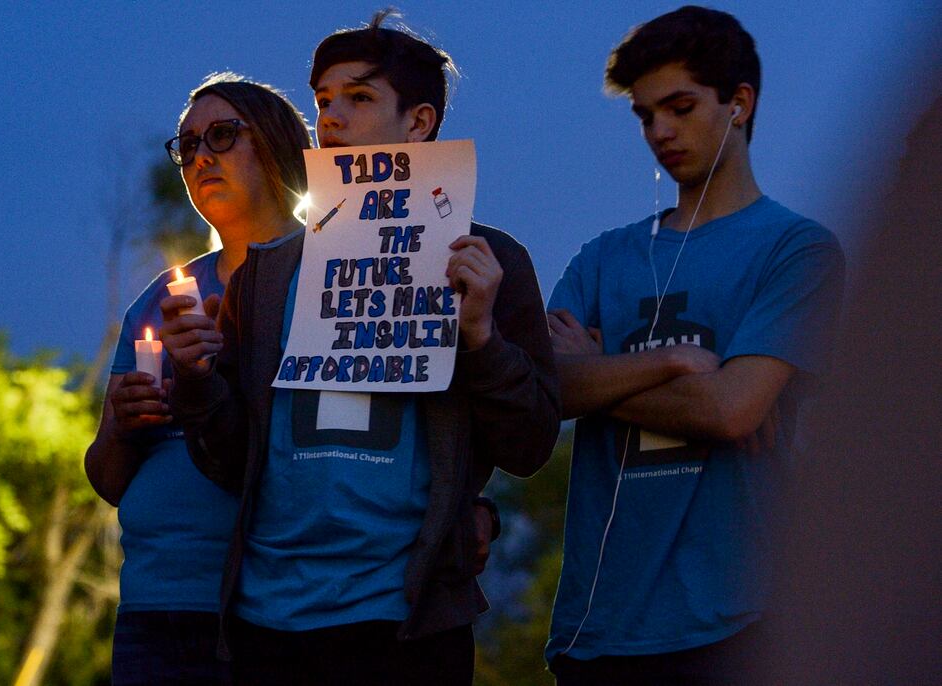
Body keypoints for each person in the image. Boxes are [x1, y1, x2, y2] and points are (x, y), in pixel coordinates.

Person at [162, 11, 560, 685]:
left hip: (405, 622)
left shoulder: (487, 262)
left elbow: (530, 445)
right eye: (322, 101)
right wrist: (196, 380)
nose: (332, 119)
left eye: (359, 97)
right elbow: (235, 463)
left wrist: (482, 339)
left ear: (419, 123)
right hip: (269, 621)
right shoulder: (267, 273)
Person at [544, 6, 845, 684]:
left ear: (739, 103)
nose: (659, 132)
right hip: (598, 630)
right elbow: (544, 388)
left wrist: (598, 371)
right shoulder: (603, 258)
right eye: (645, 115)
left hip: (741, 621)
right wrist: (670, 362)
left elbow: (729, 411)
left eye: (679, 107)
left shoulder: (796, 250)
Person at [84, 72, 311, 685]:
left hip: (266, 606)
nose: (200, 157)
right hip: (153, 606)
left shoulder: (328, 280)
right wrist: (126, 428)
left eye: (221, 134)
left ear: (277, 144)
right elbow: (107, 477)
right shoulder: (160, 299)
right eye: (186, 146)